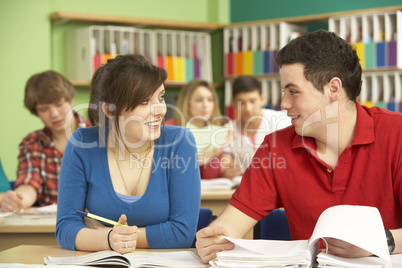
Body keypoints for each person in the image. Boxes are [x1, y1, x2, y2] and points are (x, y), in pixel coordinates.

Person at [195, 30, 402, 263]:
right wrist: (214, 238)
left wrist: (380, 241)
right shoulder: (275, 147)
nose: (284, 103)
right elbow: (231, 225)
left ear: (333, 89)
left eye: (293, 92)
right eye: (284, 92)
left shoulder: (397, 134)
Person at [56, 54, 201, 253]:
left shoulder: (180, 142)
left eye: (161, 97)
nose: (160, 110)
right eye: (143, 101)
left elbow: (182, 233)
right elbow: (66, 228)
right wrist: (108, 238)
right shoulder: (82, 145)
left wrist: (107, 235)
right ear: (109, 110)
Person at [0, 71, 90, 212]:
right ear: (36, 112)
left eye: (59, 104)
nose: (54, 114)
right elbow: (29, 184)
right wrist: (18, 199)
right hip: (50, 226)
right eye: (43, 109)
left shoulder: (98, 134)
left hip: (94, 223)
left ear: (70, 100)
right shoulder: (31, 143)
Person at [166, 79, 241, 179]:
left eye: (210, 100)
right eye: (199, 100)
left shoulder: (217, 133)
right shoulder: (171, 128)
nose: (206, 105)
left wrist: (218, 153)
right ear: (187, 103)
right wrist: (192, 161)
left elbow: (210, 175)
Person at [223, 76, 291, 177]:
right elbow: (224, 165)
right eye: (241, 102)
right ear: (233, 102)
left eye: (252, 101)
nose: (248, 108)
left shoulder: (280, 121)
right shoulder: (228, 130)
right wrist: (226, 172)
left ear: (261, 99)